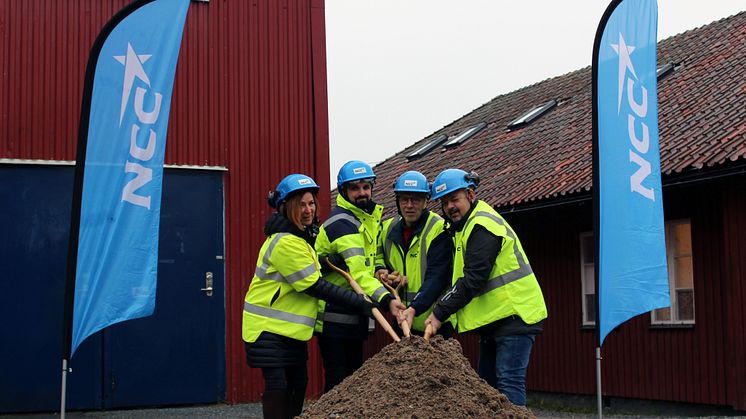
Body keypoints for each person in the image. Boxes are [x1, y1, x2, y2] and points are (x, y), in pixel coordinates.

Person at [242, 173, 378, 419]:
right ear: (285, 207)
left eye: (311, 203)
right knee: (279, 384)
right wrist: (360, 303)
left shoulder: (302, 238)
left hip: (290, 330)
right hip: (267, 328)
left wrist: (334, 260)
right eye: (301, 204)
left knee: (299, 382)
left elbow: (313, 264)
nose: (308, 210)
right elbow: (314, 285)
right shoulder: (285, 242)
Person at [422, 168, 547, 407]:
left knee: (508, 384)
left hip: (515, 314)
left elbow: (473, 279)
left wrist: (439, 312)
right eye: (445, 202)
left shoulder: (482, 225)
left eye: (454, 199)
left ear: (470, 194)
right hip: (495, 320)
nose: (450, 207)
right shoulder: (462, 228)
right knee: (485, 388)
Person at [314, 160, 405, 392]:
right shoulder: (342, 223)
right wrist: (387, 300)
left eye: (366, 186)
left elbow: (369, 260)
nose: (362, 193)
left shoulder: (367, 219)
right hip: (334, 317)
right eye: (355, 188)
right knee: (338, 385)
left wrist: (381, 270)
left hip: (355, 312)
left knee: (353, 381)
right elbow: (358, 274)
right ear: (344, 191)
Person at [379, 171, 455, 337]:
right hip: (402, 321)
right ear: (397, 201)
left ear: (426, 201)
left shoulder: (438, 229)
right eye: (404, 199)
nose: (409, 205)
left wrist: (414, 308)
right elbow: (375, 255)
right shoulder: (387, 229)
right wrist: (381, 270)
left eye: (416, 199)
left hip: (434, 323)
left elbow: (437, 277)